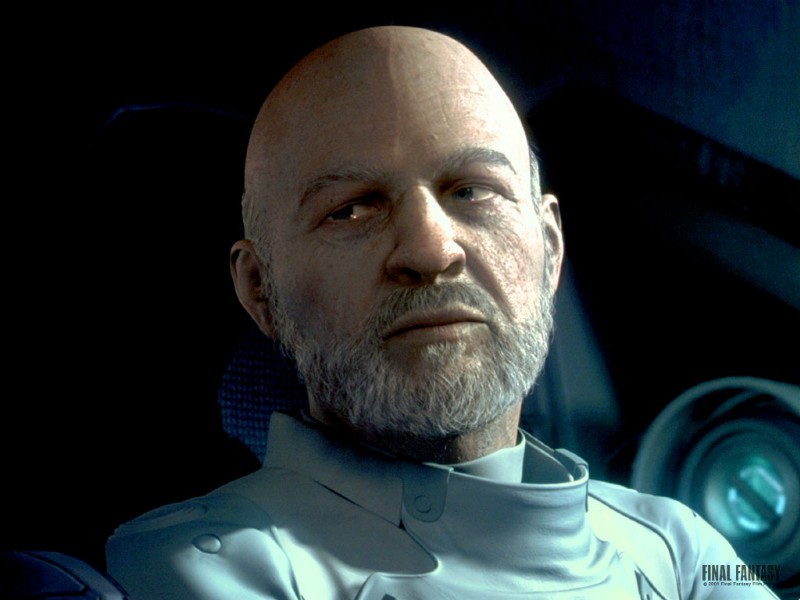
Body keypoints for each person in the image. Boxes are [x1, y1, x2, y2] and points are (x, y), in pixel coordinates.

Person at [105, 25, 778, 599]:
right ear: (260, 291)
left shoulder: (681, 548)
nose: (430, 250)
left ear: (548, 249)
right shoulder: (189, 574)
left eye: (472, 191)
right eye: (351, 209)